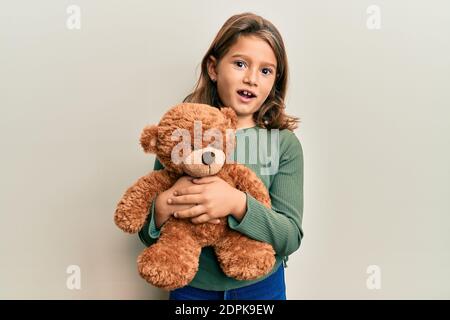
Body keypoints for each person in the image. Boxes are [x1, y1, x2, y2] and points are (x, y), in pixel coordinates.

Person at [138, 12, 304, 300]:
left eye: (265, 71)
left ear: (275, 81)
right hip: (191, 288)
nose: (251, 79)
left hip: (262, 287)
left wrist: (236, 203)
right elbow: (145, 230)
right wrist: (165, 204)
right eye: (240, 64)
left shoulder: (284, 144)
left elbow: (289, 236)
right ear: (213, 68)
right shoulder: (181, 135)